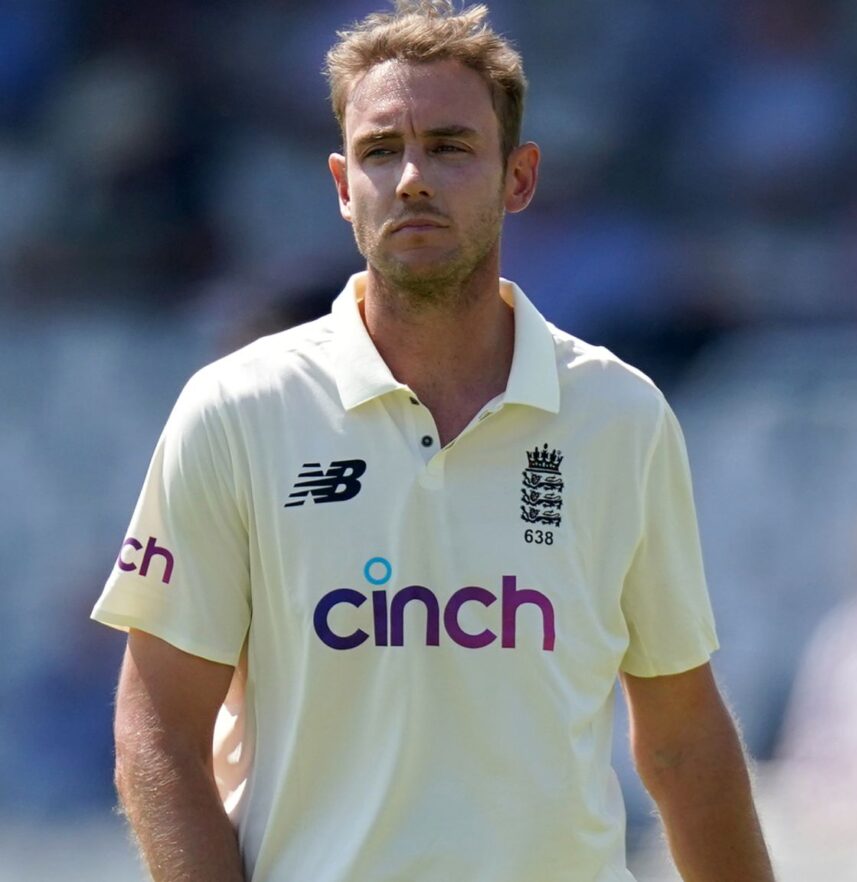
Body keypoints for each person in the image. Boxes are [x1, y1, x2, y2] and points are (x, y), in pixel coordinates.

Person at [91, 3, 773, 880]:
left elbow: (683, 742)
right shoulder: (237, 409)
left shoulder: (620, 414)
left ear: (518, 178)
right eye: (381, 151)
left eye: (451, 147)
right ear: (343, 185)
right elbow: (156, 734)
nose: (412, 177)